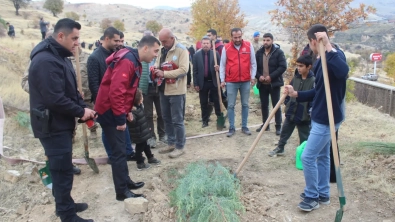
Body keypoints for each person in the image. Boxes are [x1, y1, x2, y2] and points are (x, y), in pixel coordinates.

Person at [28, 18, 95, 222]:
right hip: (51, 125)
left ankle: (65, 202)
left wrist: (80, 104)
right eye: (74, 38)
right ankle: (67, 214)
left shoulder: (60, 56)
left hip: (59, 123)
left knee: (63, 167)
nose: (77, 43)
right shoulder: (46, 61)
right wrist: (79, 111)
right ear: (60, 36)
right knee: (61, 171)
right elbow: (54, 98)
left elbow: (66, 89)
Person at [284, 24, 349, 212]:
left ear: (314, 41)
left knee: (307, 156)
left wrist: (328, 46)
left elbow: (343, 72)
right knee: (321, 155)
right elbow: (319, 91)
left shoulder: (335, 55)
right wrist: (297, 94)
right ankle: (323, 193)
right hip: (320, 113)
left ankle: (312, 196)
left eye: (310, 43)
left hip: (327, 117)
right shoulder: (320, 59)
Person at [94, 35, 161, 201]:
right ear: (145, 48)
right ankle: (121, 192)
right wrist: (120, 118)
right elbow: (116, 92)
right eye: (155, 51)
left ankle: (126, 181)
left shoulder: (134, 59)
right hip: (109, 112)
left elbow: (128, 90)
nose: (156, 55)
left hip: (116, 110)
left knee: (123, 150)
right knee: (118, 153)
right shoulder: (128, 61)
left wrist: (127, 109)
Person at [21, 30, 82, 175]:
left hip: (65, 108)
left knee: (67, 143)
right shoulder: (41, 60)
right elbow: (25, 82)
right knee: (55, 150)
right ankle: (55, 165)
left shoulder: (64, 57)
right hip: (49, 113)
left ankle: (66, 163)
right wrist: (45, 90)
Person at [87, 27, 135, 162]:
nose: (119, 43)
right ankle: (112, 155)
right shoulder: (94, 58)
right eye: (116, 40)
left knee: (121, 125)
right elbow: (94, 84)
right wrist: (100, 105)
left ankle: (127, 152)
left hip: (117, 100)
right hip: (103, 103)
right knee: (107, 129)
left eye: (120, 40)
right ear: (106, 39)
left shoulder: (117, 54)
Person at [268, 55, 315, 157]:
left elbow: (313, 97)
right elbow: (289, 91)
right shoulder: (296, 78)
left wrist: (309, 111)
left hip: (304, 113)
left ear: (309, 67)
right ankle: (280, 148)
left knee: (304, 135)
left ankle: (304, 154)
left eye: (301, 66)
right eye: (297, 66)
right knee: (285, 131)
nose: (298, 68)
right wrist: (287, 103)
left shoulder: (313, 80)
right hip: (292, 109)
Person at [154, 28, 189, 158]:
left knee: (177, 120)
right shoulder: (162, 50)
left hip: (176, 91)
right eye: (161, 41)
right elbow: (158, 64)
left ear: (172, 38)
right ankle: (171, 143)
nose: (163, 44)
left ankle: (180, 146)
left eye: (164, 41)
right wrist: (156, 70)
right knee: (166, 118)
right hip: (163, 89)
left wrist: (165, 73)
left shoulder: (181, 50)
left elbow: (184, 70)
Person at [220, 28, 257, 137]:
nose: (237, 39)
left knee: (245, 104)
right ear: (231, 37)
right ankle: (232, 127)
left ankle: (244, 126)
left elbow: (253, 63)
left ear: (242, 35)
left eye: (239, 37)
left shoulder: (248, 46)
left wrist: (253, 77)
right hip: (231, 81)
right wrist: (222, 80)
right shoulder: (226, 48)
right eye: (235, 37)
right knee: (231, 105)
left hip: (245, 80)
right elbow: (222, 65)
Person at [255, 33, 287, 135]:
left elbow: (282, 67)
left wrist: (271, 76)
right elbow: (254, 67)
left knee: (276, 105)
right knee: (264, 105)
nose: (265, 42)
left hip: (274, 84)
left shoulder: (278, 52)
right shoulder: (259, 53)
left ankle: (278, 126)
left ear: (272, 41)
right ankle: (265, 125)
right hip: (262, 84)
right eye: (264, 40)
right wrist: (258, 76)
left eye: (268, 40)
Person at [139, 30, 166, 148]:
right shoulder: (141, 57)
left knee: (162, 112)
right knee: (148, 114)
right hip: (146, 88)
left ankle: (163, 134)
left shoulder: (159, 55)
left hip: (158, 87)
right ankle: (151, 137)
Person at [127, 89, 161, 170]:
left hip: (143, 132)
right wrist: (130, 119)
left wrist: (147, 127)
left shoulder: (140, 106)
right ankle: (140, 163)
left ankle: (150, 157)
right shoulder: (133, 110)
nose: (143, 97)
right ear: (139, 99)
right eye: (142, 96)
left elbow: (143, 119)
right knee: (139, 149)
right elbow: (133, 121)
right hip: (138, 134)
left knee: (146, 146)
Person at [193, 36, 221, 128]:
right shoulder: (196, 55)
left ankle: (219, 119)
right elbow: (195, 71)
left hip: (213, 81)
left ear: (210, 44)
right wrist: (196, 83)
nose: (205, 45)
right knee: (203, 102)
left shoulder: (215, 54)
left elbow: (220, 67)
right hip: (203, 82)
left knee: (217, 101)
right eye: (204, 43)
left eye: (207, 43)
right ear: (201, 44)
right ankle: (205, 120)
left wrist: (218, 68)